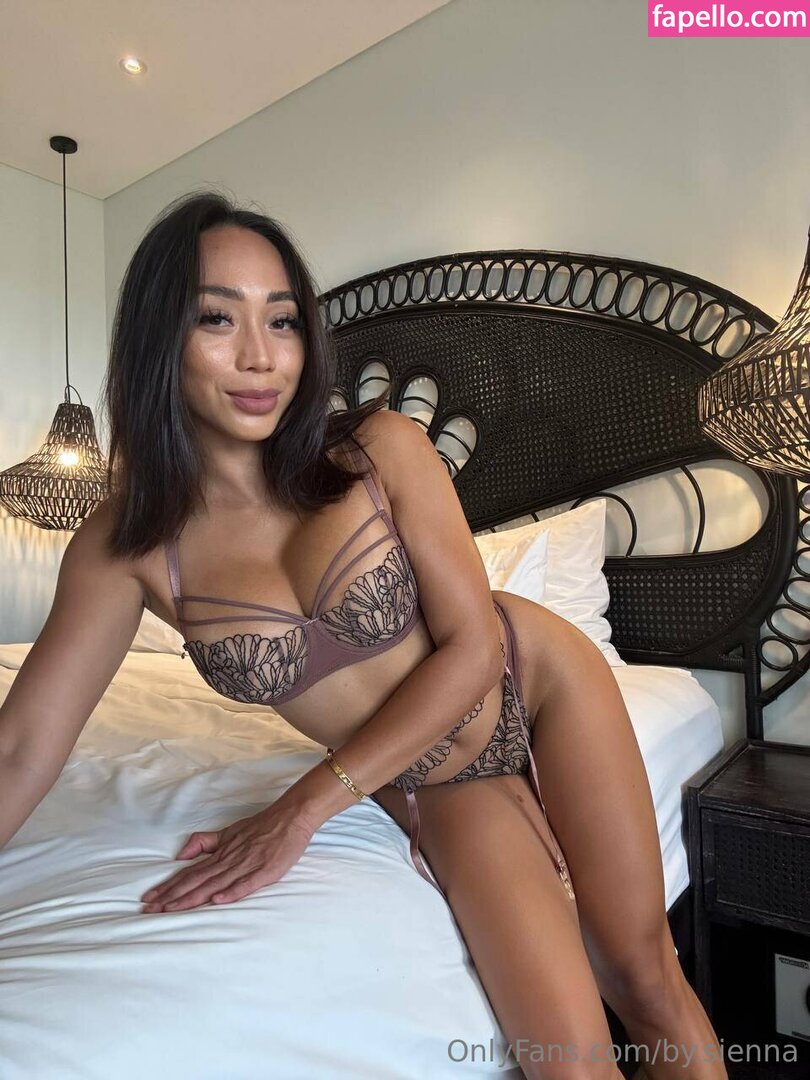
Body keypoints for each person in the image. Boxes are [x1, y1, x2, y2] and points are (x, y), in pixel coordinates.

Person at [0, 191, 727, 1080]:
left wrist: (300, 810)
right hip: (431, 775)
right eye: (217, 318)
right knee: (571, 1066)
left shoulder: (379, 447)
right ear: (160, 339)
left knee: (643, 979)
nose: (262, 356)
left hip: (533, 687)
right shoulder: (128, 543)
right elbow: (20, 749)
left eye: (283, 320)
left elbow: (474, 649)